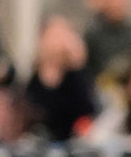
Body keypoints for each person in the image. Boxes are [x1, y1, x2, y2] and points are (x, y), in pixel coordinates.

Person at [21, 14, 96, 142]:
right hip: (37, 142)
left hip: (72, 142)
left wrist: (77, 62)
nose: (59, 41)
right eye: (54, 35)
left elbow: (87, 112)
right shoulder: (33, 78)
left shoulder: (76, 77)